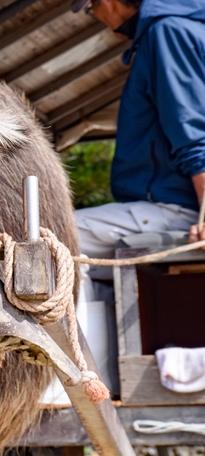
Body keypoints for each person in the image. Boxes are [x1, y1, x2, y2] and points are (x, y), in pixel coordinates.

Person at [70, 0, 205, 267]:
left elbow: (193, 132)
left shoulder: (167, 31)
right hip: (178, 203)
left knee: (48, 235)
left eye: (91, 9)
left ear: (107, 2)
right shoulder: (189, 25)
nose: (97, 18)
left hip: (176, 206)